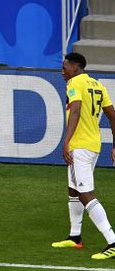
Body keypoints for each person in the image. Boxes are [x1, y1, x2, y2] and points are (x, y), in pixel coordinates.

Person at [52, 52, 115, 260]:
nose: (62, 72)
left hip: (79, 146)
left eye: (64, 67)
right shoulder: (98, 85)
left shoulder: (74, 83)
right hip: (93, 145)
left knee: (86, 194)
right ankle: (75, 236)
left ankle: (112, 241)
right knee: (74, 189)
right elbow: (112, 116)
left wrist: (66, 141)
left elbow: (76, 112)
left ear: (75, 67)